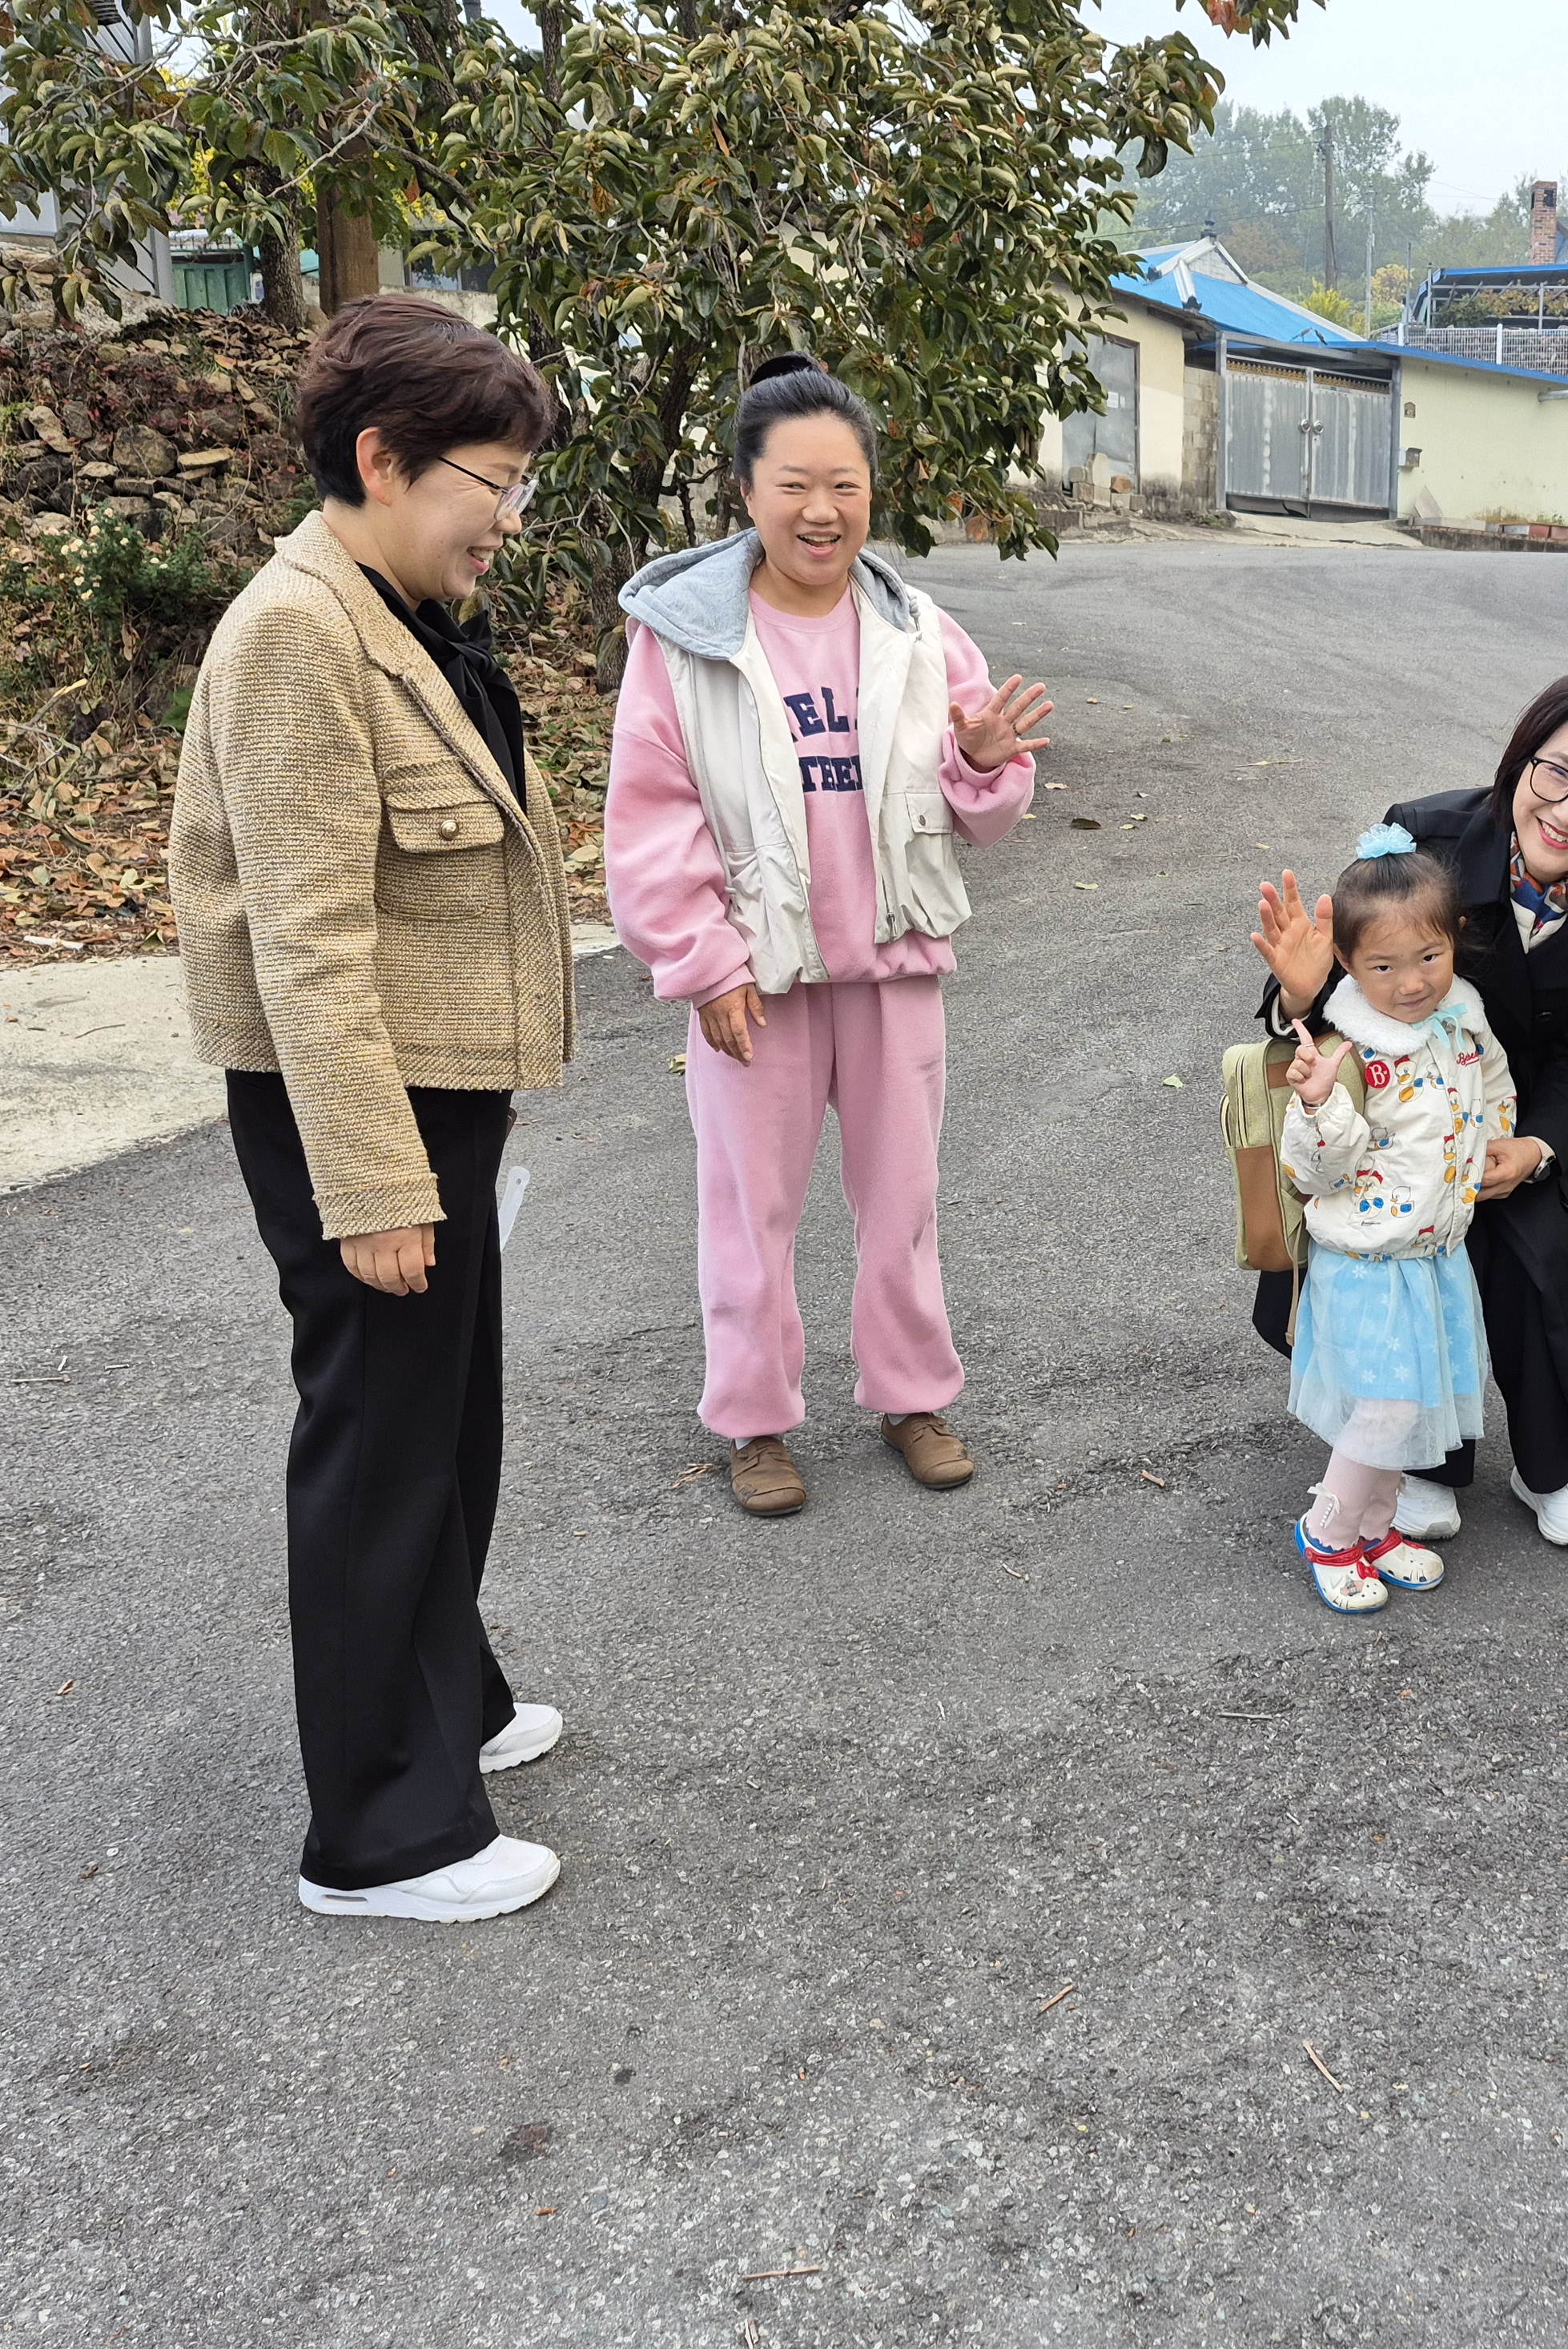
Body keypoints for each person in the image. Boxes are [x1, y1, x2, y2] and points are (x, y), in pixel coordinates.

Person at [171, 292, 575, 1923]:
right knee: (377, 1442)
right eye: (492, 479)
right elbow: (310, 941)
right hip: (362, 1106)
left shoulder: (396, 609)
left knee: (444, 1421)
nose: (509, 518)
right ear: (380, 458)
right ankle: (382, 1833)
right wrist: (370, 1184)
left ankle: (447, 1704)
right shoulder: (297, 632)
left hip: (434, 1088)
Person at [605, 356, 1053, 1518]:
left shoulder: (916, 631)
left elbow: (977, 804)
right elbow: (653, 815)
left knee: (902, 1198)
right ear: (746, 492)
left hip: (892, 965)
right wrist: (698, 961)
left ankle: (911, 1395)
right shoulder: (685, 641)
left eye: (846, 485)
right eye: (795, 484)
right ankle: (754, 1421)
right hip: (757, 976)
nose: (822, 511)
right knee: (747, 1208)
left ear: (872, 493)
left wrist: (989, 765)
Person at [1252, 673, 1568, 1549]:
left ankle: (1549, 1467)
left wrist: (1539, 1146)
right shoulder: (1432, 832)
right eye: (1555, 774)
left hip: (1500, 1121)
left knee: (1538, 1268)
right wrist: (1302, 994)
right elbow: (1339, 979)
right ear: (1523, 759)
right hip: (1382, 1127)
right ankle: (1420, 1461)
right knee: (1390, 1277)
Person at [1277, 829, 1518, 1612]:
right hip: (1369, 1263)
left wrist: (1498, 1137)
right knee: (1383, 1409)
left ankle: (1376, 1525)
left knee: (1411, 1402)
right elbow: (1315, 1170)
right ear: (1347, 965)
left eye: (1428, 957)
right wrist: (1317, 1105)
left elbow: (1491, 1082)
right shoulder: (1349, 1051)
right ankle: (1328, 1530)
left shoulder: (1461, 1021)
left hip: (1434, 1256)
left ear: (1452, 944)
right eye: (1383, 966)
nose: (1411, 983)